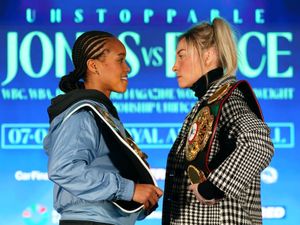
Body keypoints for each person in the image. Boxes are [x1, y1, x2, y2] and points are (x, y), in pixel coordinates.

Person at [162, 18, 274, 225]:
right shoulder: (208, 104)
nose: (174, 66)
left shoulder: (226, 101)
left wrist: (212, 187)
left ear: (208, 55)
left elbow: (259, 143)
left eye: (181, 56)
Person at [43, 31, 162, 225]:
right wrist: (130, 190)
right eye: (120, 60)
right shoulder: (83, 115)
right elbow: (63, 168)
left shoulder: (101, 114)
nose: (128, 68)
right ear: (94, 66)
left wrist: (137, 198)